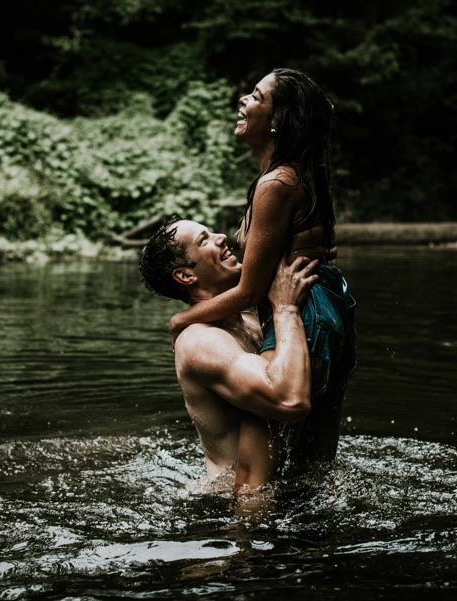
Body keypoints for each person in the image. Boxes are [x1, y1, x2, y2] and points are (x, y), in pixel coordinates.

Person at [168, 67, 356, 456]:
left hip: (304, 306)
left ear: (277, 121)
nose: (243, 101)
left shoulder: (276, 184)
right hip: (330, 302)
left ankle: (246, 521)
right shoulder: (302, 174)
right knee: (312, 458)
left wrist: (181, 320)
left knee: (255, 474)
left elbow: (251, 290)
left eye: (256, 97)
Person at [139, 216, 323, 510]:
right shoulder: (200, 342)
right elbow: (289, 401)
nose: (221, 237)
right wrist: (286, 308)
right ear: (186, 276)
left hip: (281, 490)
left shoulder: (250, 319)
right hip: (233, 505)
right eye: (204, 240)